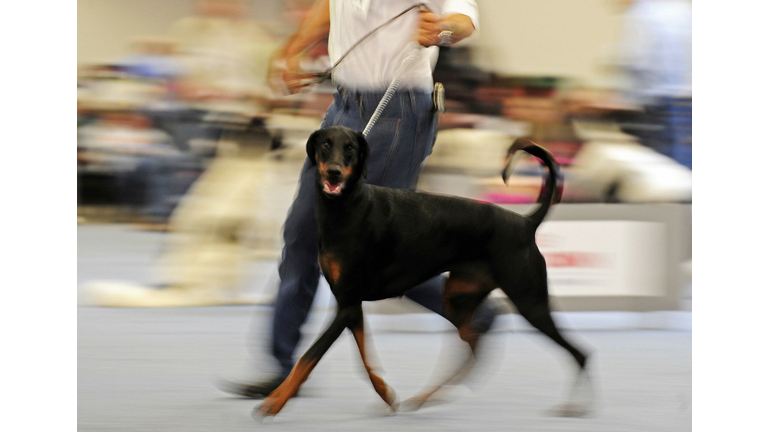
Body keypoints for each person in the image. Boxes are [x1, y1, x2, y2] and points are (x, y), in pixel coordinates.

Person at [220, 0, 500, 399]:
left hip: (398, 113)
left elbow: (464, 17)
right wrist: (294, 46)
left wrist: (441, 31)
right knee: (302, 232)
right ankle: (281, 366)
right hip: (344, 108)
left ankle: (473, 307)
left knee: (381, 249)